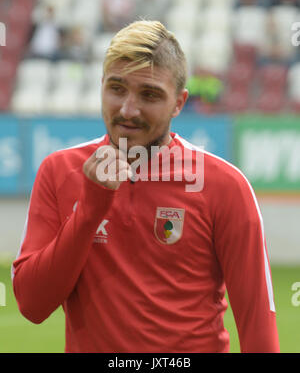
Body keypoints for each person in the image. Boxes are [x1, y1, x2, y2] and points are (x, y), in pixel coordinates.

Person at [12, 20, 280, 353]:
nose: (128, 109)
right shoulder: (60, 171)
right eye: (117, 88)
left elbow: (257, 325)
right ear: (101, 86)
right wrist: (90, 210)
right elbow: (32, 304)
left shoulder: (224, 185)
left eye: (150, 94)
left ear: (179, 103)